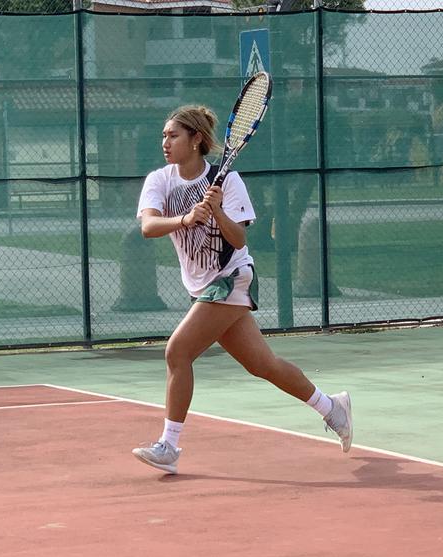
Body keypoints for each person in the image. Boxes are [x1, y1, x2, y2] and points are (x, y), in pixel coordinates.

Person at [131, 105, 353, 475]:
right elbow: (148, 227)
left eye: (173, 135)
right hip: (201, 285)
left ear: (196, 139)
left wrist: (217, 212)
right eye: (164, 136)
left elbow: (239, 239)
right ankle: (333, 409)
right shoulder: (160, 180)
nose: (165, 142)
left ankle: (169, 446)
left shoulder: (227, 180)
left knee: (178, 352)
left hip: (231, 277)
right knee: (262, 365)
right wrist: (186, 218)